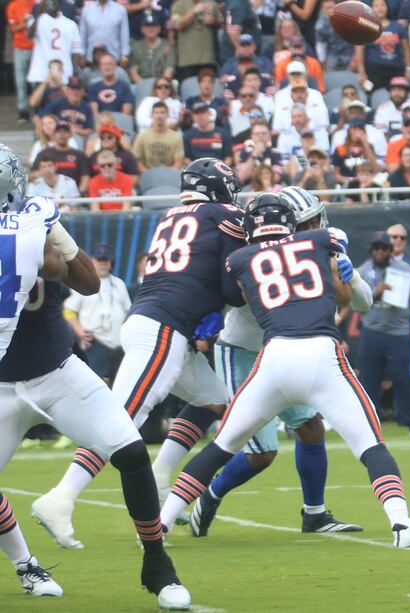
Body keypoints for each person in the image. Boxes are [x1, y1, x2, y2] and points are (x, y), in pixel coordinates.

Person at [159, 193, 410, 549]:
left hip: (274, 356)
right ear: (293, 222)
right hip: (304, 352)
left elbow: (236, 284)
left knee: (223, 445)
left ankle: (160, 525)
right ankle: (401, 524)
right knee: (369, 444)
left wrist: (348, 278)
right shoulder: (325, 241)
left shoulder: (241, 256)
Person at [0, 144, 189, 608]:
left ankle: (158, 566)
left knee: (129, 449)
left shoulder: (32, 222)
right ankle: (27, 564)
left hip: (55, 372)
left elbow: (88, 282)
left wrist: (57, 240)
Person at [31, 158, 248, 549]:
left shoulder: (171, 215)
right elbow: (232, 287)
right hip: (163, 328)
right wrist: (221, 305)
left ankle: (161, 475)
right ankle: (62, 497)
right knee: (122, 418)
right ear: (219, 187)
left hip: (154, 321)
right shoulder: (225, 214)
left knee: (216, 400)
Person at [190, 187, 369, 538]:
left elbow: (364, 303)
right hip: (243, 350)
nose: (318, 226)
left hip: (288, 353)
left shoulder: (317, 251)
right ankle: (208, 495)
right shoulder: (251, 252)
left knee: (311, 429)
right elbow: (227, 292)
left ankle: (314, 514)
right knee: (262, 454)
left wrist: (352, 274)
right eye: (310, 222)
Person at [357, 232, 410, 435]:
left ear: (390, 250)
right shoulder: (363, 270)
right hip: (372, 330)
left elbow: (404, 298)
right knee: (369, 379)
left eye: (383, 248)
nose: (379, 251)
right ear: (372, 250)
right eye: (376, 248)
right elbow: (358, 303)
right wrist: (375, 292)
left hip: (398, 330)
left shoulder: (403, 269)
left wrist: (387, 292)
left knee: (401, 377)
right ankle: (369, 424)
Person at [63, 243, 131, 383]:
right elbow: (68, 311)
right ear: (92, 261)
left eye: (107, 260)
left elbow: (128, 311)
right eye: (100, 260)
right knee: (96, 383)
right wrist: (79, 331)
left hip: (118, 344)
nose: (104, 264)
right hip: (95, 343)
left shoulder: (119, 284)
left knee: (119, 383)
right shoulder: (84, 283)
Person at [354, 0, 410, 91]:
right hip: (374, 71)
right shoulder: (365, 27)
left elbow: (406, 49)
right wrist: (361, 73)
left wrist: (409, 69)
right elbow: (359, 51)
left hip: (396, 69)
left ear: (387, 7)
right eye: (376, 6)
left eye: (382, 5)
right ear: (371, 9)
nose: (379, 8)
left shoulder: (398, 27)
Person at [26, 0, 83, 86]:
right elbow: (29, 35)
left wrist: (74, 71)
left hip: (64, 71)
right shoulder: (39, 20)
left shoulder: (70, 23)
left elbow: (75, 51)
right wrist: (39, 14)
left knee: (62, 99)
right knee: (41, 99)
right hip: (42, 72)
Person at [31, 120, 91, 195]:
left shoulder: (80, 155)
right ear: (53, 134)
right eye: (58, 132)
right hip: (47, 194)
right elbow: (32, 175)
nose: (62, 134)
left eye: (65, 131)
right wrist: (45, 172)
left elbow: (85, 177)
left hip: (71, 195)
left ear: (70, 134)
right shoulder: (43, 153)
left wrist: (79, 195)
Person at [171, 0, 223, 81]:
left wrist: (214, 21)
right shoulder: (179, 4)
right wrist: (193, 11)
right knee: (189, 88)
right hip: (187, 60)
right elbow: (178, 25)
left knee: (209, 88)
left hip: (207, 59)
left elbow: (222, 23)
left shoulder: (211, 3)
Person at [132, 102, 185, 170]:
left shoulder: (176, 137)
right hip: (147, 175)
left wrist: (167, 175)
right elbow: (136, 160)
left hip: (169, 176)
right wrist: (147, 173)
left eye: (162, 112)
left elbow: (179, 162)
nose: (159, 115)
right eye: (156, 112)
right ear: (152, 115)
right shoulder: (142, 136)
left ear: (167, 115)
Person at [6, 0, 35, 122]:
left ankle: (35, 108)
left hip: (36, 47)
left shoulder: (36, 3)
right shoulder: (13, 5)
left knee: (35, 80)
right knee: (20, 80)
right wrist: (24, 24)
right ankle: (23, 110)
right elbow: (13, 28)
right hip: (20, 47)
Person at [128, 12, 177, 83]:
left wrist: (158, 86)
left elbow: (169, 71)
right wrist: (144, 86)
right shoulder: (136, 47)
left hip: (163, 85)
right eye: (147, 26)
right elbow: (133, 72)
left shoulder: (167, 45)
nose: (150, 29)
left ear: (159, 28)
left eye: (153, 26)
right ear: (142, 29)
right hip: (141, 84)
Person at [87, 54, 135, 118]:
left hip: (120, 124)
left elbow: (126, 114)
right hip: (100, 124)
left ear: (115, 66)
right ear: (100, 68)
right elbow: (94, 114)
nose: (107, 67)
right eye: (104, 65)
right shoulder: (93, 88)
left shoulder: (124, 86)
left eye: (109, 64)